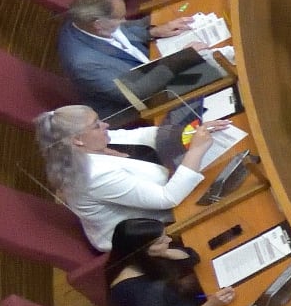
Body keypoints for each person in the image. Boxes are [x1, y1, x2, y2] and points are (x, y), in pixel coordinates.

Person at [35, 104, 232, 249]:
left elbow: (140, 136)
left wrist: (189, 132)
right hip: (146, 233)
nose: (106, 125)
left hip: (166, 189)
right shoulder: (93, 176)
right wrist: (196, 149)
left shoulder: (93, 142)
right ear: (77, 140)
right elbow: (167, 198)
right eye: (96, 125)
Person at [57, 0, 155, 119]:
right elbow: (135, 95)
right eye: (120, 18)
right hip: (139, 105)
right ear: (98, 25)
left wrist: (153, 31)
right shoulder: (84, 64)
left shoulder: (86, 21)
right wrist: (178, 61)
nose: (125, 21)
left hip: (152, 67)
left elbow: (123, 30)